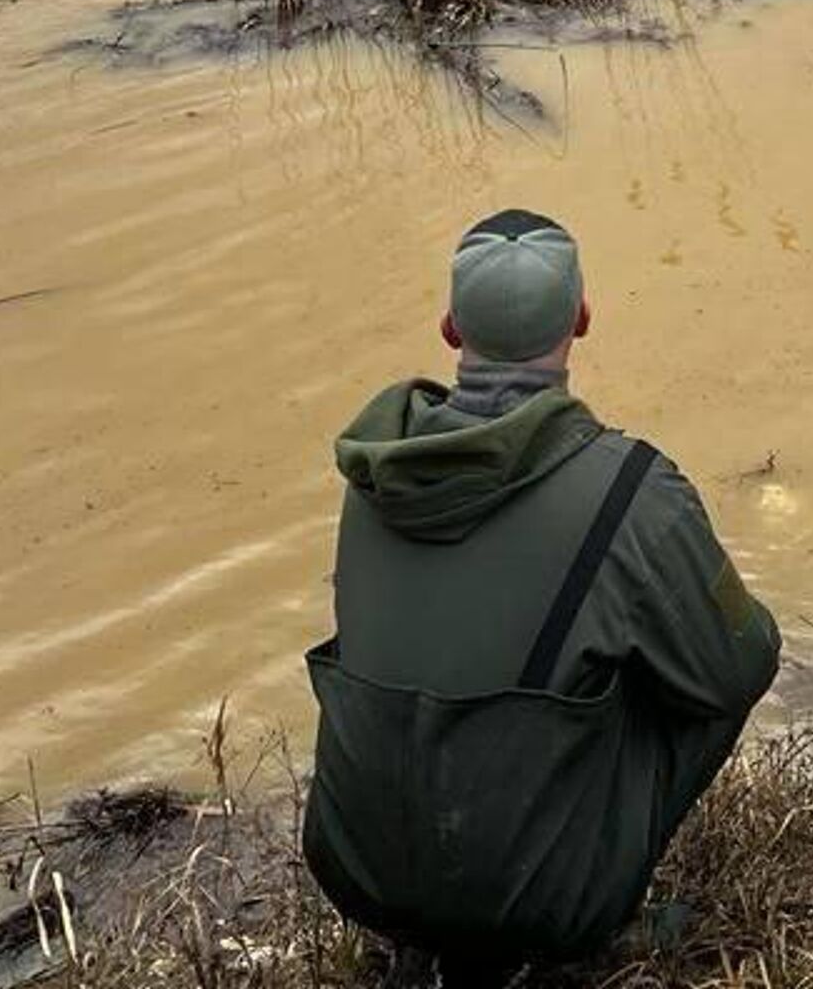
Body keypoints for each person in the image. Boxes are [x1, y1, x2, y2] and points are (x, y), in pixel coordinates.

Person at [303, 208, 780, 985]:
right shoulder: (633, 492)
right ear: (583, 319)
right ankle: (564, 920)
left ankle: (426, 940)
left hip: (356, 870)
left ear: (452, 330)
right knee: (706, 664)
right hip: (542, 904)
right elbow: (742, 664)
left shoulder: (372, 478)